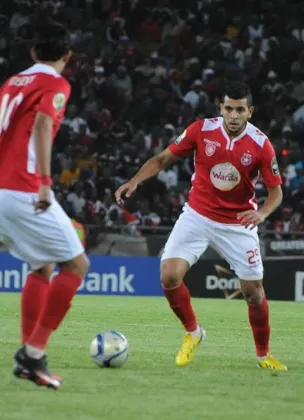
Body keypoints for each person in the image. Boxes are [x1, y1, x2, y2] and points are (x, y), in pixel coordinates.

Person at [115, 81, 287, 371]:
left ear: (250, 112)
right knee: (169, 276)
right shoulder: (201, 130)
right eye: (228, 109)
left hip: (237, 224)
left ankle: (263, 355)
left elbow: (276, 192)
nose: (233, 115)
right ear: (221, 108)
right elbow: (162, 159)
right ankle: (193, 332)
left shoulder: (261, 144)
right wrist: (134, 181)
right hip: (197, 215)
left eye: (240, 110)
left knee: (254, 293)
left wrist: (263, 213)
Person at [0, 22, 89, 390]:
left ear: (32, 52)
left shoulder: (12, 82)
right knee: (77, 265)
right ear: (67, 55)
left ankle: (28, 355)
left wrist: (4, 173)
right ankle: (34, 352)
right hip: (23, 189)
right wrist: (42, 182)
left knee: (42, 266)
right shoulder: (56, 84)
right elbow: (43, 124)